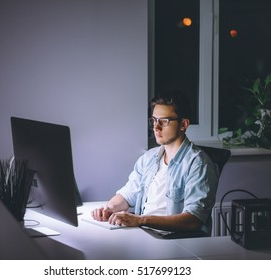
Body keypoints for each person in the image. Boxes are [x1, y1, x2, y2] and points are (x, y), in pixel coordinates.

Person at [91, 91, 219, 235]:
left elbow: (193, 219)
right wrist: (108, 208)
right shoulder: (149, 158)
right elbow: (128, 194)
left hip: (173, 240)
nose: (156, 127)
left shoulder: (198, 164)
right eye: (154, 120)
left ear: (183, 124)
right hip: (143, 233)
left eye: (164, 121)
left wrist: (141, 220)